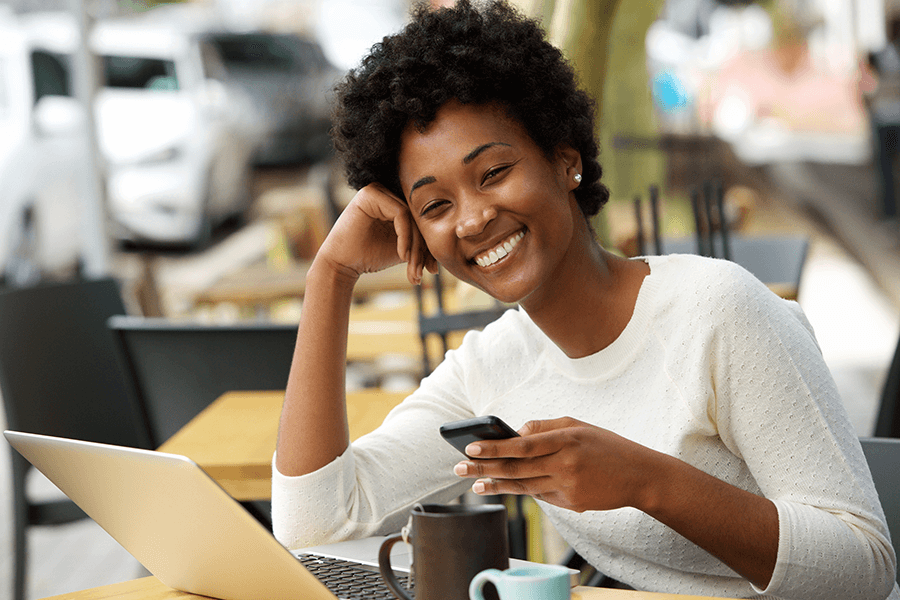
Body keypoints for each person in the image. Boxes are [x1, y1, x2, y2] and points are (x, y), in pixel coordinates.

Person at [273, 2, 899, 598]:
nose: (472, 219)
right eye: (435, 205)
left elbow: (865, 566)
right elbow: (313, 529)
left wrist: (645, 481)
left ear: (565, 160)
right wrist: (330, 276)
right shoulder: (491, 367)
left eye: (493, 172)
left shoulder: (719, 310)